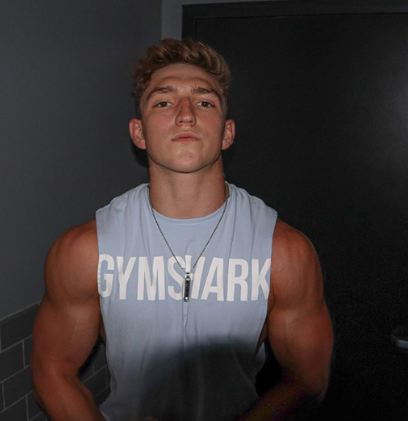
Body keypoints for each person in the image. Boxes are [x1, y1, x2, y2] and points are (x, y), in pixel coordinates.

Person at [31, 38, 333, 421]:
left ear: (227, 133)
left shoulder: (285, 252)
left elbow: (307, 381)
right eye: (163, 102)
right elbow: (52, 368)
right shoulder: (87, 249)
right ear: (139, 133)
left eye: (204, 102)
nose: (186, 115)